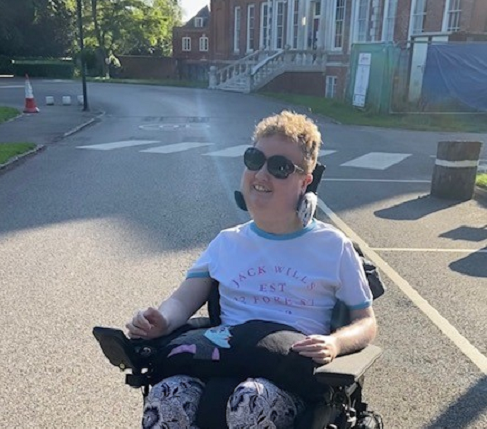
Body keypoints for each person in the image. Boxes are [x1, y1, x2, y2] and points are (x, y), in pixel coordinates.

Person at [126, 111, 377, 429]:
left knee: (248, 400)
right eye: (254, 159)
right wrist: (160, 321)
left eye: (279, 167)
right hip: (223, 361)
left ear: (304, 182)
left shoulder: (332, 245)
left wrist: (336, 344)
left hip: (287, 376)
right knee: (167, 395)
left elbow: (366, 322)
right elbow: (182, 300)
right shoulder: (226, 242)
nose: (261, 173)